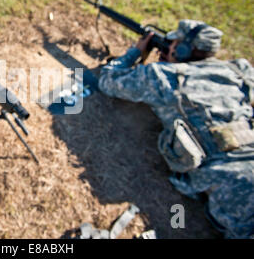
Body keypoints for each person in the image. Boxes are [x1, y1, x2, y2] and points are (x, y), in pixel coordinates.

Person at [98, 19, 254, 238]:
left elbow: (108, 79)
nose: (168, 45)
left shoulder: (164, 77)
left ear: (182, 49)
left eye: (174, 42)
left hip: (235, 185)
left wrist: (135, 52)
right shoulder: (238, 72)